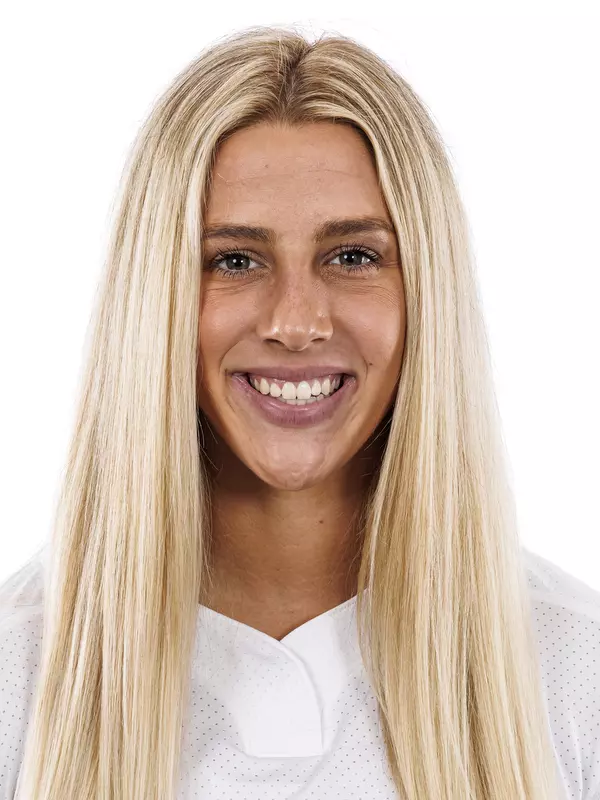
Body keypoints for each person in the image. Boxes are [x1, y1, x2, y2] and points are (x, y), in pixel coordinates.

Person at [1, 24, 599, 800]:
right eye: (234, 260)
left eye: (353, 257)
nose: (296, 320)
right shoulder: (22, 671)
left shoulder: (571, 665)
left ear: (426, 292)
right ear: (155, 299)